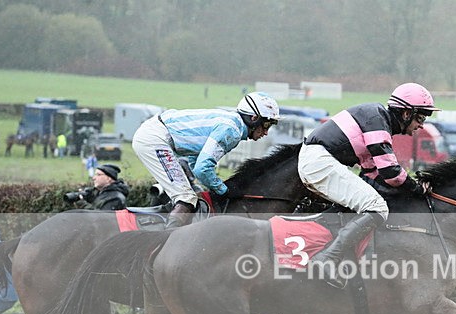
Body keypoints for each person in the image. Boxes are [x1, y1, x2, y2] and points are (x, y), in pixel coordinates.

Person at [298, 82, 439, 288]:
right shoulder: (377, 119)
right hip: (320, 162)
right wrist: (416, 188)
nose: (422, 125)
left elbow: (373, 171)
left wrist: (408, 186)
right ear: (406, 113)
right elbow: (391, 173)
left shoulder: (377, 119)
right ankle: (328, 258)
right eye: (420, 118)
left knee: (365, 203)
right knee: (377, 207)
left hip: (318, 161)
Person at [132, 92, 280, 228]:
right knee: (186, 198)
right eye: (266, 125)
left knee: (189, 196)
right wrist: (224, 190)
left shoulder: (232, 123)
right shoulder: (232, 131)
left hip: (154, 133)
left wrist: (216, 186)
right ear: (253, 118)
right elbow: (202, 169)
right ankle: (167, 239)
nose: (266, 132)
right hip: (155, 139)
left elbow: (195, 161)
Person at [65, 164, 129, 211]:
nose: (94, 178)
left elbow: (101, 219)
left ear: (109, 178)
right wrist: (88, 198)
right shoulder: (101, 193)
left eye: (98, 175)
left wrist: (83, 204)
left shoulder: (115, 198)